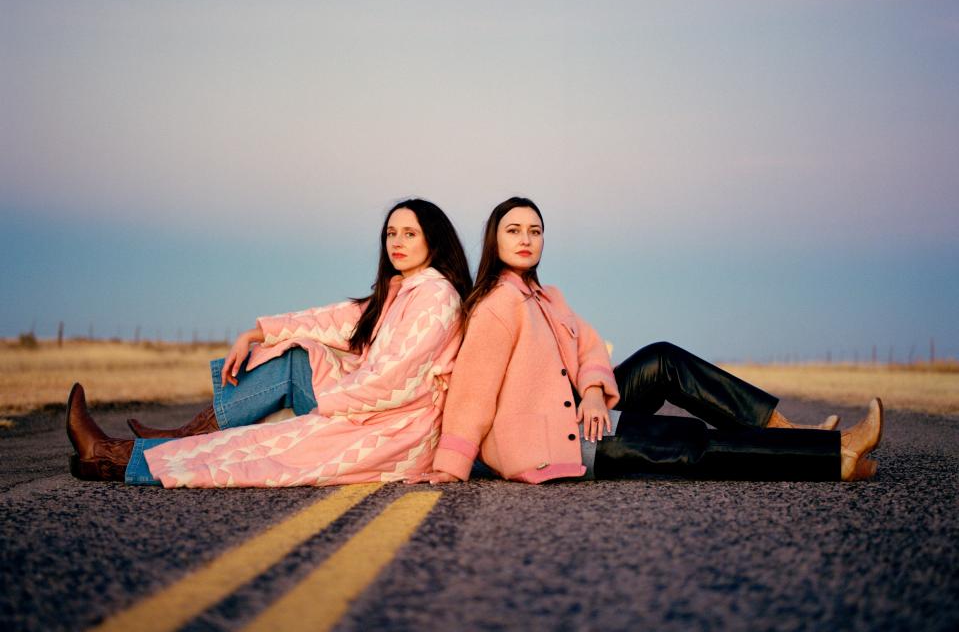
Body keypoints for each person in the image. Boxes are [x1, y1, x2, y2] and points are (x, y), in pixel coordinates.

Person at [416, 197, 883, 486]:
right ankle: (833, 456)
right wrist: (453, 463)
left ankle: (786, 432)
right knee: (692, 445)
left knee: (662, 359)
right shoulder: (497, 305)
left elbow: (590, 347)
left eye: (534, 231)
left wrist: (596, 392)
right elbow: (473, 393)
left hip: (577, 408)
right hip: (552, 438)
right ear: (493, 240)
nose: (525, 239)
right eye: (513, 230)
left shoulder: (545, 296)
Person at [66, 198, 472, 487]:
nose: (396, 242)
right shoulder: (402, 290)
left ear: (432, 242)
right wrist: (256, 333)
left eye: (409, 234)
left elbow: (394, 377)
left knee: (253, 452)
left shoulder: (435, 296)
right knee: (294, 356)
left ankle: (119, 454)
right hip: (368, 405)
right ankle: (164, 442)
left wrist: (328, 408)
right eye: (390, 233)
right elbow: (336, 319)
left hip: (393, 422)